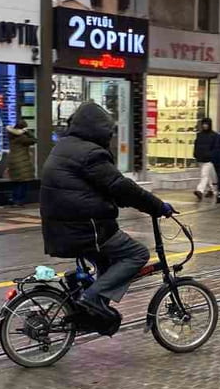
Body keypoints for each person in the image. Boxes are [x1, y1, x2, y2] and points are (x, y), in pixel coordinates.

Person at [39, 101, 173, 324]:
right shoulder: (91, 153)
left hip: (61, 228)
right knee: (137, 254)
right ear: (97, 130)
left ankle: (92, 312)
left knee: (107, 264)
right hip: (86, 229)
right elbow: (120, 186)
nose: (110, 137)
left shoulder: (64, 146)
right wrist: (158, 206)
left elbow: (101, 187)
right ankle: (92, 299)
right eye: (108, 132)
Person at [5, 119, 37, 206]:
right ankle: (19, 200)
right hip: (22, 162)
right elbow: (34, 140)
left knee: (16, 182)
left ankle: (15, 198)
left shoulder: (12, 136)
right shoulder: (22, 138)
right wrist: (27, 132)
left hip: (13, 161)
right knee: (23, 183)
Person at [192, 117, 218, 201]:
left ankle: (200, 190)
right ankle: (211, 190)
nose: (205, 125)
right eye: (203, 124)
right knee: (207, 175)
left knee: (204, 175)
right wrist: (195, 154)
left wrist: (212, 155)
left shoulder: (214, 135)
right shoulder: (199, 134)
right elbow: (196, 145)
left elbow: (215, 147)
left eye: (206, 124)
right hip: (200, 158)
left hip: (209, 159)